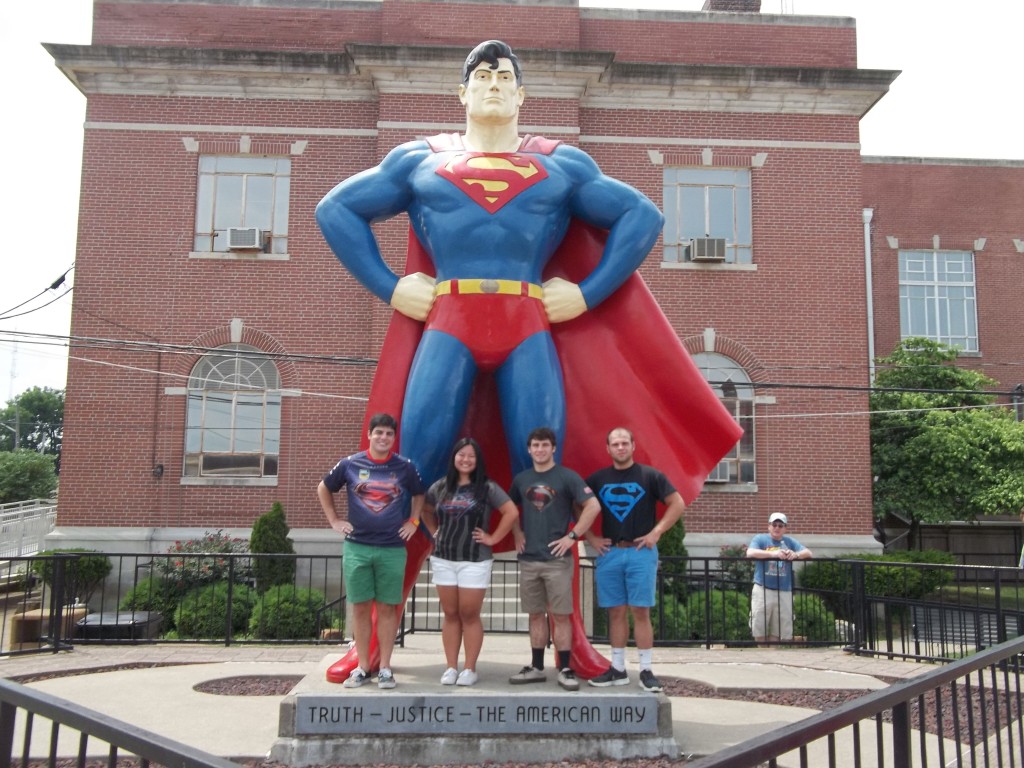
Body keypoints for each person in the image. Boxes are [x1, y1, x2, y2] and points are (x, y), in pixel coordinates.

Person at [316, 39, 665, 484]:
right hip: (450, 320)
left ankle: (544, 553)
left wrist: (585, 294)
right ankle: (410, 551)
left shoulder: (561, 165)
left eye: (504, 78)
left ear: (521, 95)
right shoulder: (420, 159)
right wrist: (391, 287)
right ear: (462, 93)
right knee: (416, 463)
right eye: (482, 77)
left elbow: (641, 215)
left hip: (526, 323)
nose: (493, 86)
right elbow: (335, 210)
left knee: (541, 469)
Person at [316, 413, 425, 689]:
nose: (383, 438)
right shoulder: (350, 464)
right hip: (358, 547)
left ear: (393, 437)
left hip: (392, 548)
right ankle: (363, 666)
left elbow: (419, 494)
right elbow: (324, 488)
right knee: (361, 608)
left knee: (388, 608)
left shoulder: (405, 467)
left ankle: (385, 667)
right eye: (379, 433)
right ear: (369, 434)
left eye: (389, 434)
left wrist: (413, 521)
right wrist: (334, 521)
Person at [583, 427, 686, 693]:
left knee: (641, 611)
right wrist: (591, 538)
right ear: (607, 448)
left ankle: (646, 670)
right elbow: (577, 506)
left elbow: (677, 503)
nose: (620, 447)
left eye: (624, 443)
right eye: (615, 444)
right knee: (615, 611)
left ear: (633, 445)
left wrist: (657, 532)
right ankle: (617, 669)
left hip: (641, 552)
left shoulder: (649, 476)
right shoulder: (597, 479)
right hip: (610, 552)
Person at [507, 426, 601, 691]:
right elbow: (510, 508)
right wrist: (517, 533)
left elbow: (593, 506)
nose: (540, 450)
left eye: (544, 445)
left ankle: (566, 668)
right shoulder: (522, 479)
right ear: (529, 449)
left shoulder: (567, 477)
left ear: (553, 448)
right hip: (529, 559)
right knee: (535, 614)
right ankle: (536, 667)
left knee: (560, 616)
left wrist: (572, 536)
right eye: (535, 446)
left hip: (557, 560)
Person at [422, 437, 518, 686]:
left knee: (469, 613)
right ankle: (451, 667)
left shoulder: (486, 487)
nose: (465, 459)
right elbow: (425, 509)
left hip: (475, 560)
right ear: (454, 457)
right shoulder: (441, 486)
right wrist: (434, 531)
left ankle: (469, 668)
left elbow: (511, 512)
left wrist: (493, 537)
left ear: (477, 461)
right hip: (443, 557)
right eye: (461, 455)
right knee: (451, 613)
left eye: (471, 456)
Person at [746, 513, 812, 646]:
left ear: (785, 528)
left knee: (780, 629)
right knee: (759, 625)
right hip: (763, 588)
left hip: (784, 590)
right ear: (769, 526)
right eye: (774, 525)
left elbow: (808, 553)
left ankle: (774, 656)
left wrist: (796, 554)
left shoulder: (789, 542)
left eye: (780, 525)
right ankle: (763, 654)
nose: (777, 528)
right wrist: (773, 554)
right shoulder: (760, 539)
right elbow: (750, 552)